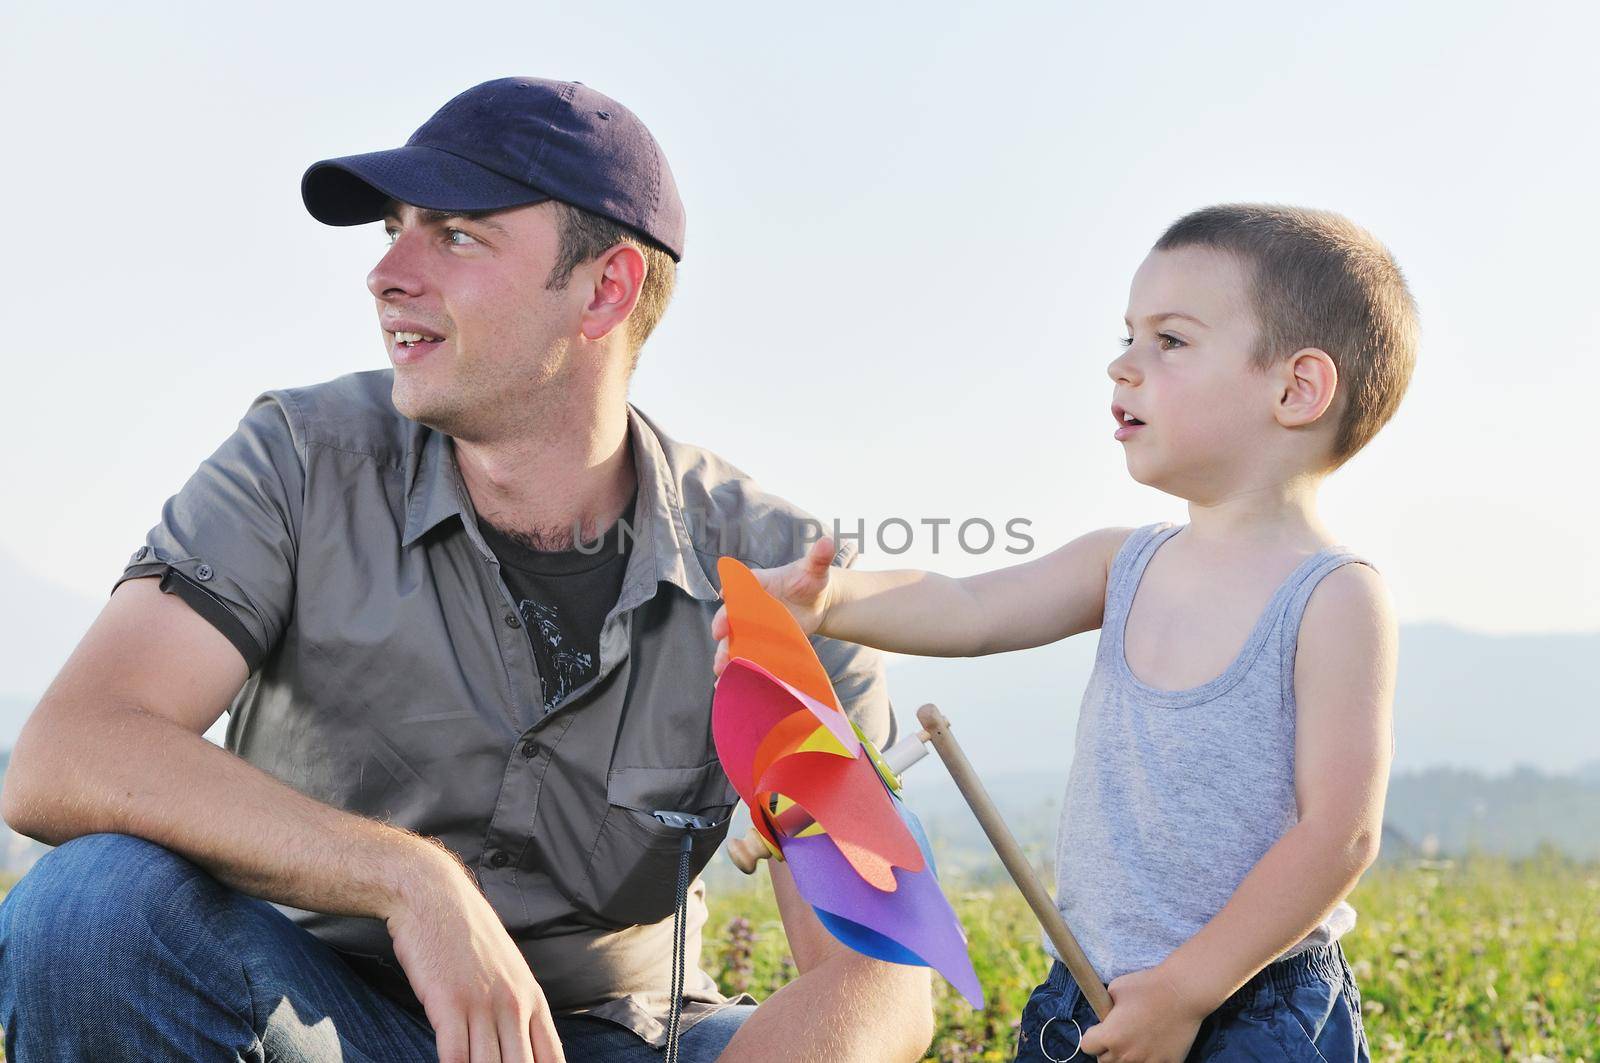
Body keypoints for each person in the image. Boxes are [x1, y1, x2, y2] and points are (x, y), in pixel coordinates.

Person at [0, 76, 934, 1063]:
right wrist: (410, 882)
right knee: (89, 907)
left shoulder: (778, 573)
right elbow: (70, 751)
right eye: (394, 229)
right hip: (315, 1021)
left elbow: (874, 971)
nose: (386, 274)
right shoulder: (296, 457)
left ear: (604, 288)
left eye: (454, 235)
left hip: (610, 1039)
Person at [713, 204, 1413, 1061]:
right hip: (1084, 981)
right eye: (1128, 336)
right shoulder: (1121, 564)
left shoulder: (1333, 599)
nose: (1122, 365)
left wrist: (1188, 989)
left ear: (1296, 388)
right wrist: (833, 604)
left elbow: (1339, 832)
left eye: (1171, 341)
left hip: (1249, 998)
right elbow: (970, 607)